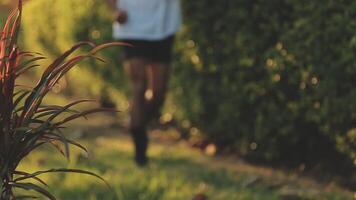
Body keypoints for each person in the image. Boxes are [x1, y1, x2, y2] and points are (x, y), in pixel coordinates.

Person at [106, 0, 182, 166]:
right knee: (139, 85)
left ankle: (138, 124)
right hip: (131, 25)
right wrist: (114, 10)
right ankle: (140, 152)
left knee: (158, 93)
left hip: (163, 24)